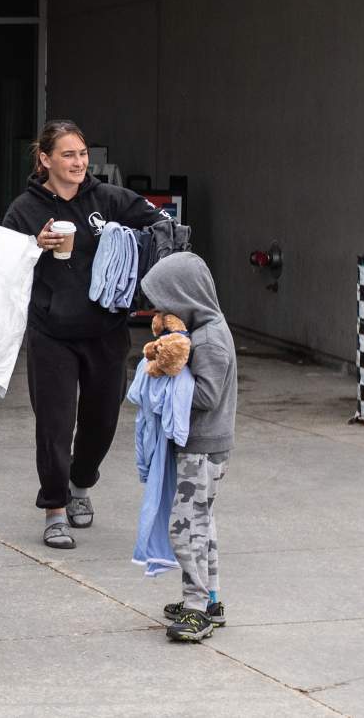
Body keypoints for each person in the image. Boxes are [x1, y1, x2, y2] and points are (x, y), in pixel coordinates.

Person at [3, 120, 169, 550]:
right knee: (55, 425)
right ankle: (55, 508)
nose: (79, 163)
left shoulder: (108, 199)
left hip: (105, 330)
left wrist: (141, 247)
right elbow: (2, 265)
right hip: (52, 333)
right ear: (45, 159)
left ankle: (80, 483)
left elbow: (161, 225)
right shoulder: (25, 209)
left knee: (102, 421)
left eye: (82, 154)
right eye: (68, 155)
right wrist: (32, 245)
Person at [139, 252, 237, 641]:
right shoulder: (205, 331)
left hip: (202, 448)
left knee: (185, 529)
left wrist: (165, 382)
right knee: (203, 523)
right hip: (205, 447)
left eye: (165, 303)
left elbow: (206, 396)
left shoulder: (209, 340)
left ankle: (196, 608)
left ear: (185, 298)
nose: (160, 313)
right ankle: (209, 600)